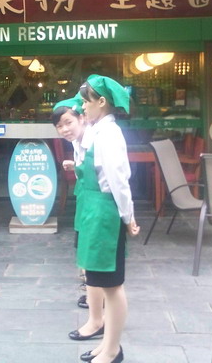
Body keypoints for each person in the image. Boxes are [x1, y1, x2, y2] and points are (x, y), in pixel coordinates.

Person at [70, 74, 140, 363]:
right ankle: (107, 344)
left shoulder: (110, 134)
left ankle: (113, 349)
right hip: (93, 212)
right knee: (102, 282)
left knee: (112, 286)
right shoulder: (97, 130)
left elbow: (118, 181)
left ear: (101, 102)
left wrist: (128, 217)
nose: (82, 107)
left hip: (105, 215)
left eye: (86, 102)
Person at [52, 95, 88, 308]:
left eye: (68, 122)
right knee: (82, 237)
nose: (65, 129)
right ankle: (88, 283)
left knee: (89, 241)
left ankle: (93, 289)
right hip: (84, 195)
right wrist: (77, 166)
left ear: (81, 118)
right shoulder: (78, 140)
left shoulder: (95, 139)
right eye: (59, 126)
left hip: (95, 200)